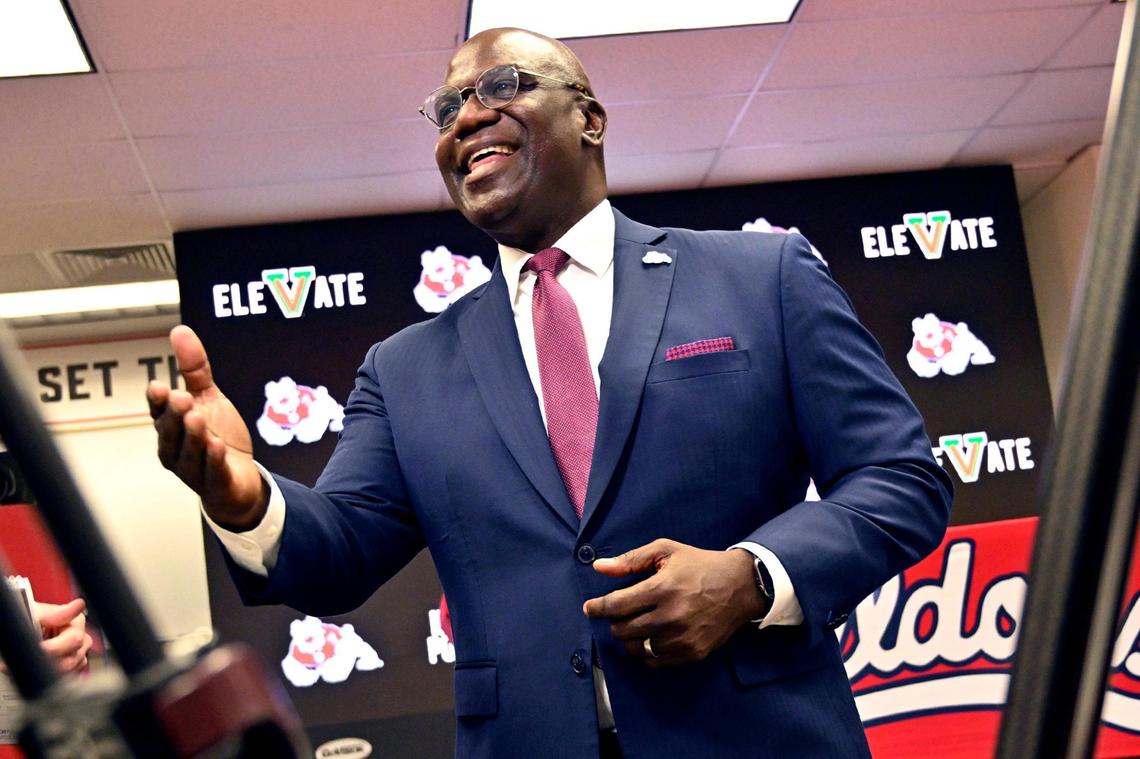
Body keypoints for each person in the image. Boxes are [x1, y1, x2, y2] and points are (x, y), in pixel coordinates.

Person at [149, 27, 952, 759]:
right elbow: (339, 553)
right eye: (447, 108)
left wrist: (750, 576)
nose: (467, 118)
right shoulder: (405, 369)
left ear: (590, 119)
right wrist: (244, 497)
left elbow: (900, 480)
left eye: (503, 86)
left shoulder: (761, 278)